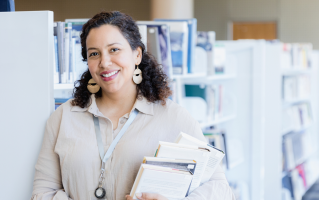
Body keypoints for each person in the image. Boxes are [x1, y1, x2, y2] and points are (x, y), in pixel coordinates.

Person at [31, 11, 234, 200]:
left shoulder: (174, 117)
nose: (105, 62)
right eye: (94, 54)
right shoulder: (64, 117)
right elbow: (42, 191)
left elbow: (221, 190)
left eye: (114, 50)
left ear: (137, 54)